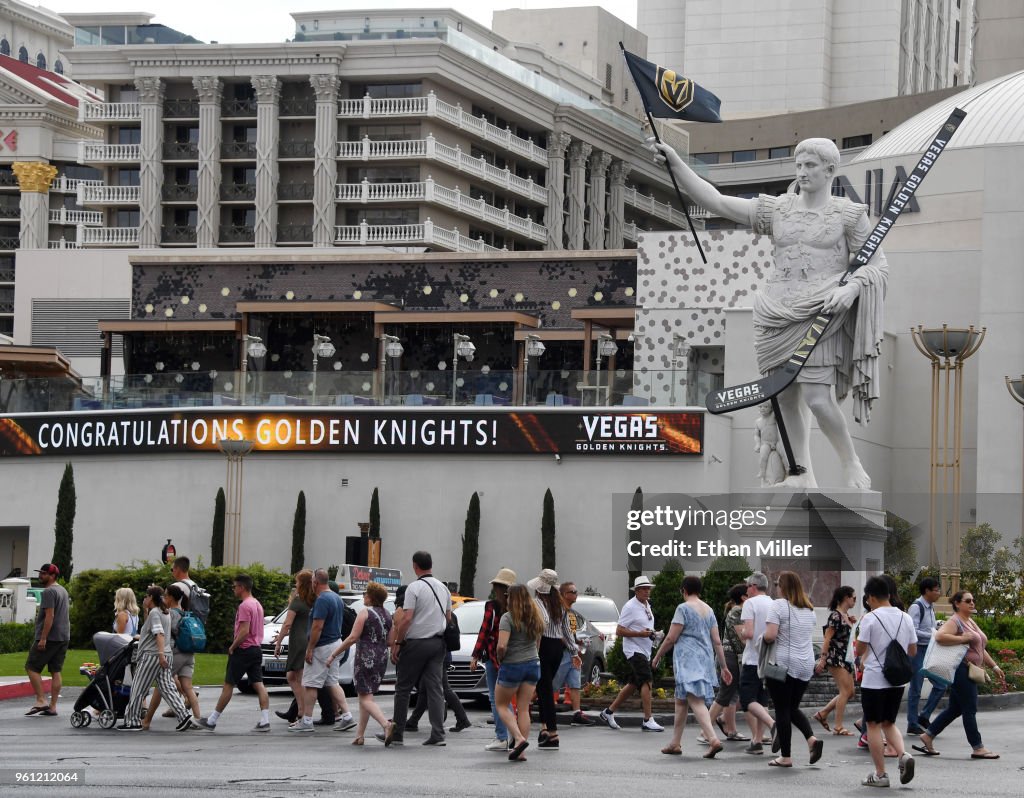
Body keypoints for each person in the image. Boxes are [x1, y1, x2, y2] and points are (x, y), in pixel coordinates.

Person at [650, 136, 887, 490]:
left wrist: (851, 288)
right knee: (784, 397)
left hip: (819, 311)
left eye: (810, 166)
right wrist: (676, 165)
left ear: (830, 170)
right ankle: (801, 473)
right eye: (799, 165)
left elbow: (878, 265)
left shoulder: (849, 215)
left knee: (818, 398)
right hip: (775, 312)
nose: (802, 172)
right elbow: (715, 200)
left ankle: (850, 462)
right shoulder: (777, 209)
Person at [915, 591, 1003, 760]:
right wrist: (963, 638)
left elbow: (980, 648)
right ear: (957, 603)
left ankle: (928, 736)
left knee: (955, 709)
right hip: (962, 671)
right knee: (970, 709)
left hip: (971, 670)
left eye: (973, 600)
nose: (972, 603)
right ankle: (978, 747)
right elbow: (940, 636)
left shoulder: (969, 621)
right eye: (968, 600)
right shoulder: (955, 621)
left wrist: (994, 666)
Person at [652, 575, 732, 758]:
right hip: (704, 659)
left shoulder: (683, 608)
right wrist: (724, 667)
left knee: (695, 699)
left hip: (688, 660)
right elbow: (717, 641)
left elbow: (672, 637)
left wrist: (657, 655)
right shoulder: (709, 609)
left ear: (684, 591)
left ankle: (713, 739)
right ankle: (675, 743)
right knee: (681, 701)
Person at [379, 551, 451, 747]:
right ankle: (438, 734)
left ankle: (398, 733)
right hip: (438, 643)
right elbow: (449, 618)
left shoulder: (414, 588)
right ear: (431, 564)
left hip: (416, 643)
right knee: (435, 689)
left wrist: (398, 644)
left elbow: (407, 618)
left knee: (403, 688)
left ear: (415, 566)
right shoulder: (443, 589)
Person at [855, 575, 916, 788]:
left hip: (874, 679)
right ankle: (903, 754)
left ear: (871, 597)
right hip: (897, 681)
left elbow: (860, 650)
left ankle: (880, 774)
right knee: (889, 722)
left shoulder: (870, 618)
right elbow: (912, 650)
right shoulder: (905, 617)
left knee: (873, 725)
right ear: (889, 595)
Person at [762, 572, 824, 767]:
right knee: (792, 707)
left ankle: (786, 756)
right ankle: (811, 740)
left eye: (777, 584)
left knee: (781, 709)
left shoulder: (778, 605)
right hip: (805, 665)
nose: (776, 588)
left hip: (782, 664)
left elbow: (771, 636)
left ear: (783, 587)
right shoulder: (810, 609)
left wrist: (760, 639)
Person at [196, 574, 271, 733]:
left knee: (228, 685)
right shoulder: (257, 604)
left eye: (235, 586)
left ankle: (212, 720)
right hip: (256, 649)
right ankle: (265, 720)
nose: (233, 589)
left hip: (243, 649)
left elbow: (244, 631)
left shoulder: (245, 606)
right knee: (259, 684)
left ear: (242, 587)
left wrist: (232, 646)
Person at [287, 569, 354, 733]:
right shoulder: (336, 598)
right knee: (332, 682)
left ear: (315, 582)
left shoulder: (322, 600)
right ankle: (347, 716)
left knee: (310, 684)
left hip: (322, 646)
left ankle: (307, 721)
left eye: (312, 581)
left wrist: (310, 649)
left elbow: (317, 627)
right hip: (335, 644)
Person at [120, 586, 195, 732]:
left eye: (146, 596)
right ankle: (184, 716)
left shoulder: (156, 613)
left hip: (152, 656)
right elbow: (151, 628)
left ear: (151, 598)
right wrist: (145, 611)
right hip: (166, 654)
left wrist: (160, 654)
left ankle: (132, 721)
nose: (144, 599)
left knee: (138, 688)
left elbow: (158, 633)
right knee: (167, 688)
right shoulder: (163, 612)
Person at [327, 581, 394, 745]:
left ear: (370, 597)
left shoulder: (365, 613)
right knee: (366, 696)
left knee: (365, 698)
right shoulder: (387, 615)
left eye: (365, 594)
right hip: (381, 658)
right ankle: (359, 735)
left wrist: (334, 654)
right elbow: (391, 641)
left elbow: (352, 637)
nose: (364, 596)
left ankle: (386, 725)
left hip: (365, 657)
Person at [599, 575, 663, 733]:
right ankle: (648, 719)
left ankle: (608, 712)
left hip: (645, 650)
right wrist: (641, 634)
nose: (648, 591)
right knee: (647, 680)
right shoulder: (630, 606)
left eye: (649, 588)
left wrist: (653, 635)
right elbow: (619, 630)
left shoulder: (646, 605)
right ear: (637, 591)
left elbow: (644, 627)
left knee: (634, 684)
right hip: (634, 650)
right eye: (644, 589)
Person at [528, 568, 581, 749]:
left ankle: (552, 731)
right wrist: (574, 651)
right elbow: (566, 630)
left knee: (545, 690)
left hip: (543, 646)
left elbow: (541, 624)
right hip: (557, 648)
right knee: (545, 689)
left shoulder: (537, 603)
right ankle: (544, 729)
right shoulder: (559, 604)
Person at [495, 583, 545, 763]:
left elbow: (502, 645)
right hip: (533, 664)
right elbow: (537, 643)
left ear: (511, 598)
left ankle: (518, 738)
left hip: (512, 665)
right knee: (523, 708)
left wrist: (500, 657)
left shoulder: (507, 618)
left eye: (508, 595)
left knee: (501, 704)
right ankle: (520, 751)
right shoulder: (536, 617)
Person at [142, 583, 201, 728]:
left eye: (165, 595)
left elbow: (161, 633)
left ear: (171, 598)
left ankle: (147, 721)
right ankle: (198, 719)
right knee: (187, 687)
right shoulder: (184, 611)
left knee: (160, 687)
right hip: (189, 654)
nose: (163, 598)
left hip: (177, 653)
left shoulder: (171, 613)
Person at [471, 567, 517, 751]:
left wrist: (475, 655)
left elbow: (484, 631)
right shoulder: (519, 607)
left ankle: (501, 737)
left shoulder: (492, 606)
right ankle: (515, 734)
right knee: (511, 699)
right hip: (515, 657)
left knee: (495, 698)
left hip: (494, 654)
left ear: (498, 587)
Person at [736, 571, 777, 753]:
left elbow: (749, 633)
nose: (747, 589)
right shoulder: (774, 604)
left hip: (753, 658)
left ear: (753, 586)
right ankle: (757, 741)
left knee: (747, 699)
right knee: (763, 700)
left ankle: (772, 724)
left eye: (748, 586)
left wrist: (742, 631)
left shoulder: (750, 604)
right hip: (770, 659)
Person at [24, 563, 71, 717]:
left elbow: (50, 616)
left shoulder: (49, 592)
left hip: (50, 637)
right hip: (63, 636)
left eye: (44, 574)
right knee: (55, 670)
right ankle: (52, 707)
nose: (41, 576)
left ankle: (41, 699)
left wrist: (43, 638)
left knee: (31, 667)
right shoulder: (62, 590)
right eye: (41, 573)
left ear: (52, 576)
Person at [270, 570, 315, 726]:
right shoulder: (313, 600)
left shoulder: (298, 600)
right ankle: (301, 711)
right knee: (292, 676)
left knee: (300, 679)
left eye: (297, 582)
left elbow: (287, 623)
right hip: (307, 641)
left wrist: (278, 642)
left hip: (298, 643)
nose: (295, 584)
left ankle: (303, 714)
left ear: (301, 583)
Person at [706, 583, 749, 742]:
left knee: (732, 694)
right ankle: (705, 731)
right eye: (749, 592)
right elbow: (742, 638)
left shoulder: (739, 610)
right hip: (730, 656)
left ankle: (730, 728)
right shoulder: (738, 611)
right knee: (725, 693)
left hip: (731, 656)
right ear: (744, 597)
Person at [814, 585, 857, 736]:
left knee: (850, 692)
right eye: (854, 598)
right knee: (845, 691)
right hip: (835, 657)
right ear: (846, 597)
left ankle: (823, 713)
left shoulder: (846, 616)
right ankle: (838, 726)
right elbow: (827, 638)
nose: (855, 601)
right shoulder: (835, 616)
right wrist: (823, 659)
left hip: (845, 658)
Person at [553, 581, 597, 726]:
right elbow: (559, 634)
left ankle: (576, 713)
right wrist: (572, 647)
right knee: (552, 684)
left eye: (576, 592)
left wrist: (579, 642)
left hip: (572, 653)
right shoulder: (559, 611)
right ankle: (526, 705)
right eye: (573, 592)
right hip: (562, 653)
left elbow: (569, 634)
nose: (576, 594)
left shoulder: (570, 612)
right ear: (564, 594)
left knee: (575, 683)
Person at [906, 577, 946, 734]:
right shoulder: (917, 607)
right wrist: (932, 634)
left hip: (929, 651)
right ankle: (912, 723)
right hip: (917, 651)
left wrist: (938, 626)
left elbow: (928, 626)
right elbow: (912, 630)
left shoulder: (930, 607)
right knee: (916, 688)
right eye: (936, 590)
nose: (938, 593)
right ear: (927, 591)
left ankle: (924, 715)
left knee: (941, 684)